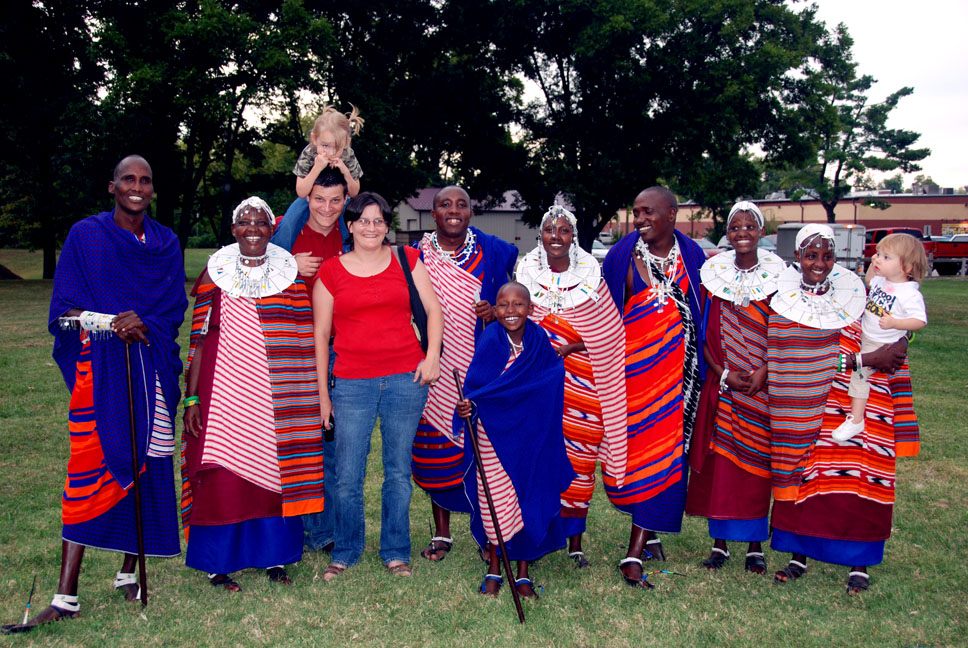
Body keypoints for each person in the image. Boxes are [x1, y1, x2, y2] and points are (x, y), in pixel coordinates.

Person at [3, 156, 186, 634]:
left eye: (146, 180)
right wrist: (110, 321)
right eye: (129, 179)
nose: (138, 187)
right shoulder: (86, 236)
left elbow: (173, 306)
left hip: (153, 370)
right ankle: (65, 597)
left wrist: (143, 319)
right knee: (88, 470)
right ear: (112, 186)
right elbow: (64, 307)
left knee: (147, 461)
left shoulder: (165, 243)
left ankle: (129, 570)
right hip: (100, 370)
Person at [180, 197, 324, 590]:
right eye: (244, 222)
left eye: (261, 222)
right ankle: (217, 564)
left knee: (276, 478)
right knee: (224, 476)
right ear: (233, 230)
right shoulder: (213, 275)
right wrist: (192, 400)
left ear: (271, 228)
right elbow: (198, 343)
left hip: (276, 398)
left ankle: (275, 558)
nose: (253, 228)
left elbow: (301, 342)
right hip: (223, 395)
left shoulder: (291, 279)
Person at [768, 223, 916, 594]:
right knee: (809, 477)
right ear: (797, 256)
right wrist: (864, 358)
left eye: (828, 255)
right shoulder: (783, 302)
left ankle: (859, 562)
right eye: (812, 254)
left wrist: (896, 343)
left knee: (863, 475)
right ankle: (799, 554)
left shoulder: (853, 294)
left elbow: (889, 329)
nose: (820, 263)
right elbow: (797, 359)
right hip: (810, 404)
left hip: (866, 400)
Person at [313, 192, 443, 581]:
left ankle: (395, 551)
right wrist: (324, 397)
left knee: (398, 473)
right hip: (352, 383)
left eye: (379, 220)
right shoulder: (331, 271)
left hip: (406, 378)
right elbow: (321, 336)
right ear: (349, 225)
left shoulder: (408, 260)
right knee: (347, 476)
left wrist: (432, 356)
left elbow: (433, 310)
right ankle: (346, 550)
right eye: (363, 220)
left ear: (388, 225)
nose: (372, 227)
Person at [601, 186, 707, 588]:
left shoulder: (693, 257)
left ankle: (635, 549)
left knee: (666, 460)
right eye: (636, 212)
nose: (640, 219)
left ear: (673, 214)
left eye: (648, 213)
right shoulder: (621, 256)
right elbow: (606, 317)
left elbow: (704, 315)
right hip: (632, 380)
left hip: (679, 383)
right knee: (631, 460)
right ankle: (650, 528)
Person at [410, 185, 518, 562]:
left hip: (482, 369)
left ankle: (489, 532)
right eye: (445, 205)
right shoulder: (415, 256)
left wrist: (496, 311)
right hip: (432, 366)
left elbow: (515, 299)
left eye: (461, 205)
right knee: (433, 451)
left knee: (484, 452)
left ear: (471, 213)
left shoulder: (494, 251)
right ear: (433, 214)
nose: (453, 210)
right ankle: (442, 533)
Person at [515, 205, 627, 568]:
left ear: (573, 237)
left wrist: (573, 346)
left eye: (564, 230)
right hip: (541, 389)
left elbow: (611, 334)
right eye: (550, 230)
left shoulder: (593, 280)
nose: (556, 237)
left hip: (585, 387)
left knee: (579, 465)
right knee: (539, 460)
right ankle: (536, 532)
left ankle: (575, 542)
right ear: (541, 236)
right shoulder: (526, 277)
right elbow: (518, 328)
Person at [455, 282, 574, 598]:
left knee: (527, 498)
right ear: (494, 310)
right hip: (493, 435)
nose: (511, 311)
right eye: (503, 305)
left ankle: (522, 572)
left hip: (531, 436)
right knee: (492, 499)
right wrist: (469, 405)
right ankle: (495, 565)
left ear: (530, 309)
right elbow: (478, 387)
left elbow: (551, 381)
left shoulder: (539, 341)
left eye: (518, 304)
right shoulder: (490, 340)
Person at [685, 201, 785, 575]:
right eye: (735, 226)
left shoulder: (780, 279)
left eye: (750, 226)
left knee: (759, 466)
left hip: (765, 385)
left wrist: (764, 369)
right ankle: (720, 544)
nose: (742, 232)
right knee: (723, 465)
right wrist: (723, 374)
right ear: (728, 233)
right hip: (725, 384)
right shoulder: (714, 279)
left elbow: (788, 330)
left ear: (760, 231)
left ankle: (755, 546)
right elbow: (704, 333)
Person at [271, 168, 350, 553]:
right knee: (293, 438)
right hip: (290, 346)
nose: (327, 208)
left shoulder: (350, 234)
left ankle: (325, 530)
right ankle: (295, 527)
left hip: (337, 347)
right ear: (306, 198)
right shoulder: (286, 230)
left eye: (336, 200)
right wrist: (289, 266)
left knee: (329, 437)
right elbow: (252, 270)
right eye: (319, 198)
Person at [832, 233, 927, 441]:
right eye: (877, 254)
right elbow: (868, 280)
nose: (878, 259)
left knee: (859, 373)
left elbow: (920, 321)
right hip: (867, 335)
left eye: (886, 257)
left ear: (907, 268)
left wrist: (897, 324)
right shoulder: (881, 281)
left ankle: (856, 419)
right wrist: (874, 263)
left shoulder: (909, 293)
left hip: (882, 343)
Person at [271, 105, 364, 251]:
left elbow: (354, 192)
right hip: (310, 197)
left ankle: (351, 256)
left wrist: (345, 170)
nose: (331, 152)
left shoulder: (348, 155)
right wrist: (317, 168)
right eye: (325, 146)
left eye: (336, 147)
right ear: (314, 139)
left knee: (352, 226)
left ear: (346, 143)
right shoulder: (309, 153)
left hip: (341, 200)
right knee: (288, 223)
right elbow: (301, 191)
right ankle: (278, 256)